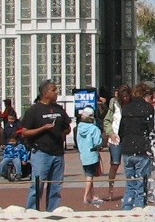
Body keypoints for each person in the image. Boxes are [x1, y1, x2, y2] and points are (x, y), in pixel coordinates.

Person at [18, 79, 70, 212]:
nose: (57, 92)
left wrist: (65, 131)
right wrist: (43, 128)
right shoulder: (34, 110)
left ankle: (52, 213)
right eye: (54, 90)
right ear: (45, 93)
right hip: (41, 153)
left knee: (55, 187)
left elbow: (67, 127)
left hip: (58, 153)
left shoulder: (59, 109)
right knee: (37, 186)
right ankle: (32, 212)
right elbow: (24, 132)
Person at [118, 82, 155, 211]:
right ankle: (139, 210)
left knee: (130, 183)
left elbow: (121, 131)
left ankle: (127, 208)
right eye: (151, 97)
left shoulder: (126, 108)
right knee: (141, 183)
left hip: (127, 149)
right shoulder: (148, 108)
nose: (152, 100)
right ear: (146, 95)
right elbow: (152, 131)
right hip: (142, 149)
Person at [102, 84, 128, 200]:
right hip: (116, 137)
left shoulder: (130, 104)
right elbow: (107, 120)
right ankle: (110, 190)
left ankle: (130, 190)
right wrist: (110, 133)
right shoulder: (113, 103)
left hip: (128, 137)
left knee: (129, 164)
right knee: (115, 164)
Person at [75, 106, 104, 206]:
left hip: (83, 153)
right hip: (92, 154)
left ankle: (92, 195)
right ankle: (86, 196)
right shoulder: (94, 128)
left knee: (88, 174)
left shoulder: (79, 127)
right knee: (89, 176)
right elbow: (97, 142)